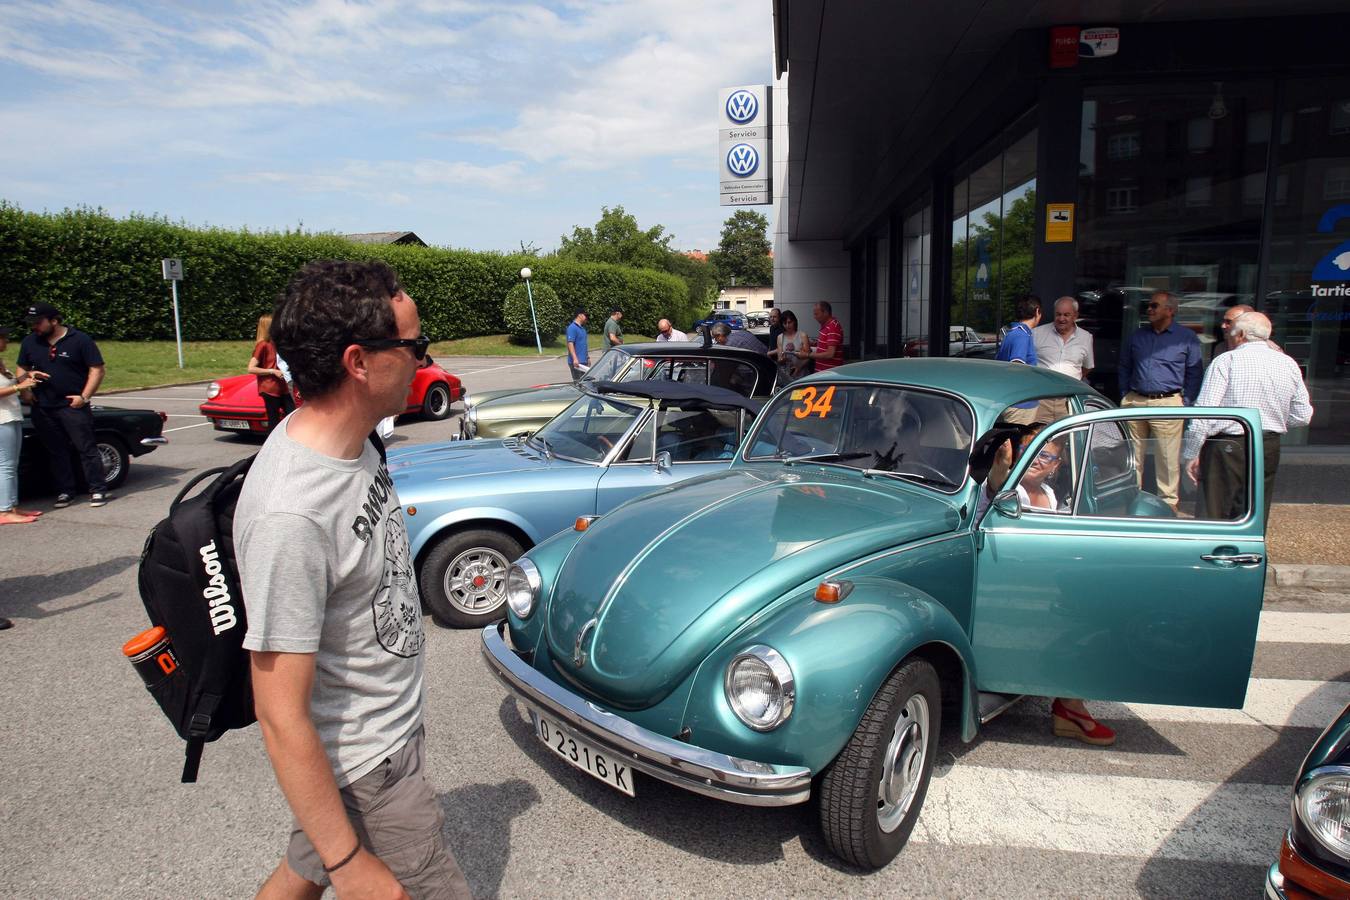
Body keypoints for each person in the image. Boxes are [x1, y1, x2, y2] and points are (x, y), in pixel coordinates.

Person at [235, 260, 471, 900]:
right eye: (415, 345)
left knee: (298, 873)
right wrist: (348, 863)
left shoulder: (355, 442)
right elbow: (279, 713)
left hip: (372, 733)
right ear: (359, 362)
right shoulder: (292, 515)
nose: (426, 360)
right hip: (367, 761)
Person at [982, 425, 1116, 746]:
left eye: (1047, 456)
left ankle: (1069, 702)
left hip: (1037, 579)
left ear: (1056, 466)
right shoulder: (1013, 489)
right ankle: (1070, 706)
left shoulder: (1050, 495)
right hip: (1003, 579)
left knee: (1103, 607)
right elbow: (996, 487)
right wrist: (1001, 465)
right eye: (1032, 452)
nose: (1038, 460)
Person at [1183, 311, 1312, 522]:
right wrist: (1274, 420)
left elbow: (1204, 413)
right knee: (1255, 512)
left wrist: (1191, 453)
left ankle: (1213, 544)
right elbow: (1303, 415)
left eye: (1231, 332)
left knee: (1214, 514)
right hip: (1267, 443)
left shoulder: (1227, 360)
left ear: (1241, 334)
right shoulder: (1288, 363)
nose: (1228, 335)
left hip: (1227, 445)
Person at [16, 302, 109, 508]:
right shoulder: (30, 341)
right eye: (31, 323)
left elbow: (97, 369)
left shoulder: (80, 340)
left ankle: (97, 489)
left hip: (72, 405)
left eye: (38, 322)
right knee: (56, 451)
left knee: (86, 448)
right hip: (43, 406)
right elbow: (21, 368)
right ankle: (66, 491)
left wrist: (84, 397)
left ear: (54, 321)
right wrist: (25, 389)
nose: (34, 327)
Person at [1117, 290, 1203, 513]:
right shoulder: (1137, 336)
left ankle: (1168, 504)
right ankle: (1132, 500)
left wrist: (1186, 401)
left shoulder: (1186, 337)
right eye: (1149, 305)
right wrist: (1125, 394)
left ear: (1170, 310)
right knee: (1132, 456)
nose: (1149, 309)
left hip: (1167, 402)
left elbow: (1195, 372)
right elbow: (1124, 366)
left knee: (1167, 457)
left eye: (1154, 305)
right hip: (1135, 401)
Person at [0, 327, 43, 526]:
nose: (7, 341)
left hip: (11, 416)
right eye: (3, 338)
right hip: (2, 420)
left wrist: (26, 376)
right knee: (5, 465)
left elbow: (9, 383)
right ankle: (4, 510)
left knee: (12, 464)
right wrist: (19, 387)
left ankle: (13, 507)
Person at [996, 295, 1043, 425]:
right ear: (1037, 311)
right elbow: (1017, 367)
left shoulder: (1013, 333)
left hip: (1012, 401)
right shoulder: (1021, 335)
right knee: (1018, 438)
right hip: (1020, 404)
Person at [248, 314, 295, 433]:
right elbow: (251, 368)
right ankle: (272, 442)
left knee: (292, 416)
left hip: (283, 386)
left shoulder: (277, 343)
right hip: (270, 388)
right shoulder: (263, 345)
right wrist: (272, 371)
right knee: (274, 420)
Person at [1033, 297, 1093, 381]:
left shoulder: (1086, 337)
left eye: (1066, 315)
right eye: (1058, 314)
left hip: (1070, 387)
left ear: (1075, 316)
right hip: (1043, 387)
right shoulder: (1036, 333)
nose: (1061, 319)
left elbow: (1088, 367)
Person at [769, 310, 810, 384]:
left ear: (794, 322)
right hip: (786, 376)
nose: (787, 325)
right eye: (785, 323)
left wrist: (799, 367)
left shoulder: (802, 335)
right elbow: (779, 359)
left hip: (801, 376)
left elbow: (808, 357)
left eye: (789, 322)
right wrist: (782, 359)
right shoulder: (780, 337)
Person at [806, 301, 844, 372]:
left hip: (830, 373)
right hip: (823, 372)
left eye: (816, 314)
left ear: (826, 313)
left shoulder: (833, 327)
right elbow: (827, 345)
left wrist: (807, 355)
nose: (814, 317)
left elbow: (830, 354)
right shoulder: (826, 326)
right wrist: (816, 344)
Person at [565, 309, 590, 381]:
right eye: (585, 315)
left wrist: (587, 358)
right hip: (576, 362)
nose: (586, 318)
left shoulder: (582, 329)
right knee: (578, 382)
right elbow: (570, 343)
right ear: (580, 315)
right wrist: (575, 358)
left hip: (583, 361)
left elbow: (584, 345)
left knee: (585, 382)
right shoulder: (572, 328)